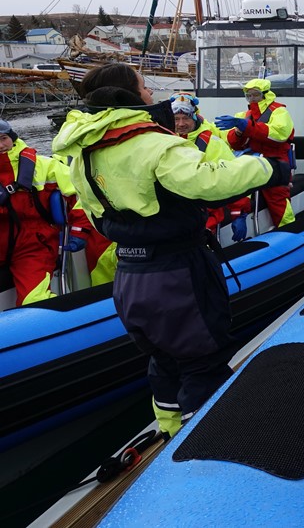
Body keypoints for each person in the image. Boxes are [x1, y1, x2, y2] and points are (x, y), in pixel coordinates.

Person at [51, 62, 280, 436]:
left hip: (129, 276)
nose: (150, 94)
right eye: (143, 87)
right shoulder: (154, 142)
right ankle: (209, 447)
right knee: (203, 362)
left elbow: (93, 213)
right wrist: (266, 169)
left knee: (162, 361)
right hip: (177, 273)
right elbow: (208, 181)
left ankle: (170, 431)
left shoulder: (84, 152)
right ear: (127, 94)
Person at [0, 120, 91, 305]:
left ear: (12, 138)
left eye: (3, 138)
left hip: (33, 246)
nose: (0, 145)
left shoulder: (43, 166)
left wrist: (80, 230)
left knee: (34, 301)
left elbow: (81, 191)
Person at [215, 79, 295, 229]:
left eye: (255, 95)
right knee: (235, 188)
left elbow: (278, 135)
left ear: (266, 95)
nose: (252, 98)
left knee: (278, 197)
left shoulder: (279, 112)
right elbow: (233, 143)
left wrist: (247, 127)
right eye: (248, 95)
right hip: (249, 161)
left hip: (275, 161)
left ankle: (288, 228)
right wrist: (238, 131)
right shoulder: (243, 115)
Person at [172, 93, 251, 242]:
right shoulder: (164, 141)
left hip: (203, 216)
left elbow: (233, 176)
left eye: (186, 118)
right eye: (176, 119)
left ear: (195, 117)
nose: (181, 124)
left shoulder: (212, 143)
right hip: (170, 215)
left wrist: (238, 212)